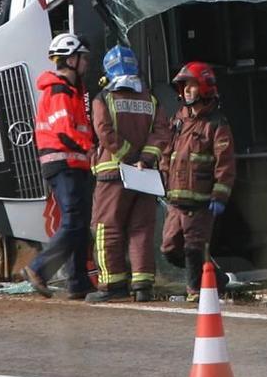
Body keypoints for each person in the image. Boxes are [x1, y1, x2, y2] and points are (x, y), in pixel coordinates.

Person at [85, 45, 170, 303]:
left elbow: (104, 131)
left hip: (113, 174)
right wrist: (144, 159)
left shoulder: (104, 98)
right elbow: (161, 133)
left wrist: (129, 157)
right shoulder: (151, 100)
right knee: (141, 229)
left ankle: (112, 284)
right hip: (145, 176)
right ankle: (143, 285)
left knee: (105, 228)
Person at [23, 33, 95, 299]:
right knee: (74, 222)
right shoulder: (59, 90)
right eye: (83, 58)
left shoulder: (72, 91)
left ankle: (78, 283)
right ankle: (39, 268)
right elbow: (64, 132)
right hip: (64, 163)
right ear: (71, 59)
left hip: (74, 164)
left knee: (79, 222)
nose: (86, 63)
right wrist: (91, 147)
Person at [160, 62, 235, 302]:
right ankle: (215, 278)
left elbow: (225, 163)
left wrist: (219, 195)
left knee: (194, 247)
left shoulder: (216, 124)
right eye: (183, 88)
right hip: (175, 200)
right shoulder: (178, 121)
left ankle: (196, 291)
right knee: (170, 249)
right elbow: (166, 153)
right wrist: (161, 179)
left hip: (201, 202)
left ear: (204, 87)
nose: (186, 92)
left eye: (190, 86)